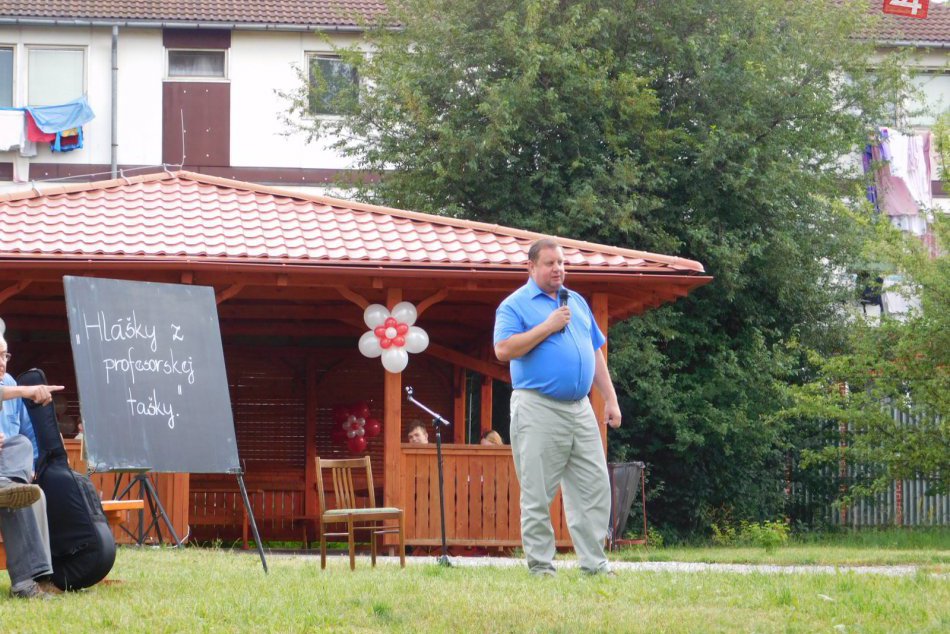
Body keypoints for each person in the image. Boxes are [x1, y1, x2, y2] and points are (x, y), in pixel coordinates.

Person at [493, 238, 621, 577]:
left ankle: (594, 565)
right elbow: (503, 350)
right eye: (550, 263)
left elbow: (594, 351)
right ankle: (541, 568)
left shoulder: (576, 302)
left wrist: (610, 398)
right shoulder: (514, 305)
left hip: (580, 409)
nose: (558, 269)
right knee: (537, 491)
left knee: (594, 486)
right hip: (537, 407)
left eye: (561, 263)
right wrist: (547, 326)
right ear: (531, 267)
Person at [0, 329, 66, 598]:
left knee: (30, 492)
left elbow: (27, 436)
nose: (2, 361)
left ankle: (38, 577)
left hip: (7, 469)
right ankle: (25, 584)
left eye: (4, 355)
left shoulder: (10, 383)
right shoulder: (13, 388)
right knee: (14, 495)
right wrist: (28, 390)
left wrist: (33, 467)